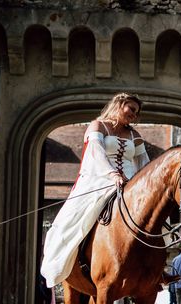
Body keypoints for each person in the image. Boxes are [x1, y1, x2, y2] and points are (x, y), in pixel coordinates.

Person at [40, 93, 150, 288]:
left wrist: (146, 184)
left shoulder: (136, 136)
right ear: (119, 104)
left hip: (130, 182)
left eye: (137, 112)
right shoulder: (98, 126)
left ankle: (155, 268)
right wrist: (111, 174)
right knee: (72, 219)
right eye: (131, 109)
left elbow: (144, 163)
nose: (134, 114)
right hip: (99, 178)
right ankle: (65, 260)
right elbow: (95, 152)